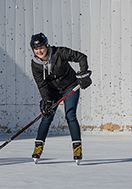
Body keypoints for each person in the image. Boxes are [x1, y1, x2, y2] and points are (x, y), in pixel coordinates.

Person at [29, 33, 92, 165]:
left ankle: (77, 149)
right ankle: (38, 147)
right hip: (52, 91)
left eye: (41, 47)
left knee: (70, 115)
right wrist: (46, 100)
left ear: (46, 46)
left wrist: (83, 74)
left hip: (70, 86)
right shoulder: (35, 64)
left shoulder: (60, 52)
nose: (39, 51)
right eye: (36, 49)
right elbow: (41, 84)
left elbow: (81, 57)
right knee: (46, 117)